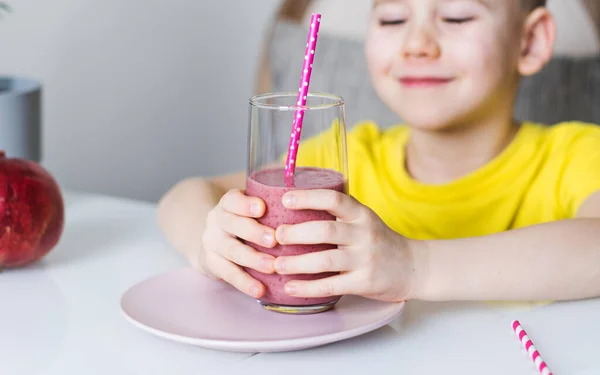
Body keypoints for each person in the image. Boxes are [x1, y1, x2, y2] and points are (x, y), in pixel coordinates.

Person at [157, 0, 600, 304]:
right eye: (392, 19)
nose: (417, 43)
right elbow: (185, 195)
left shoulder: (574, 155)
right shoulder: (351, 159)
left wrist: (415, 265)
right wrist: (211, 245)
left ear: (530, 42)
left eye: (458, 16)